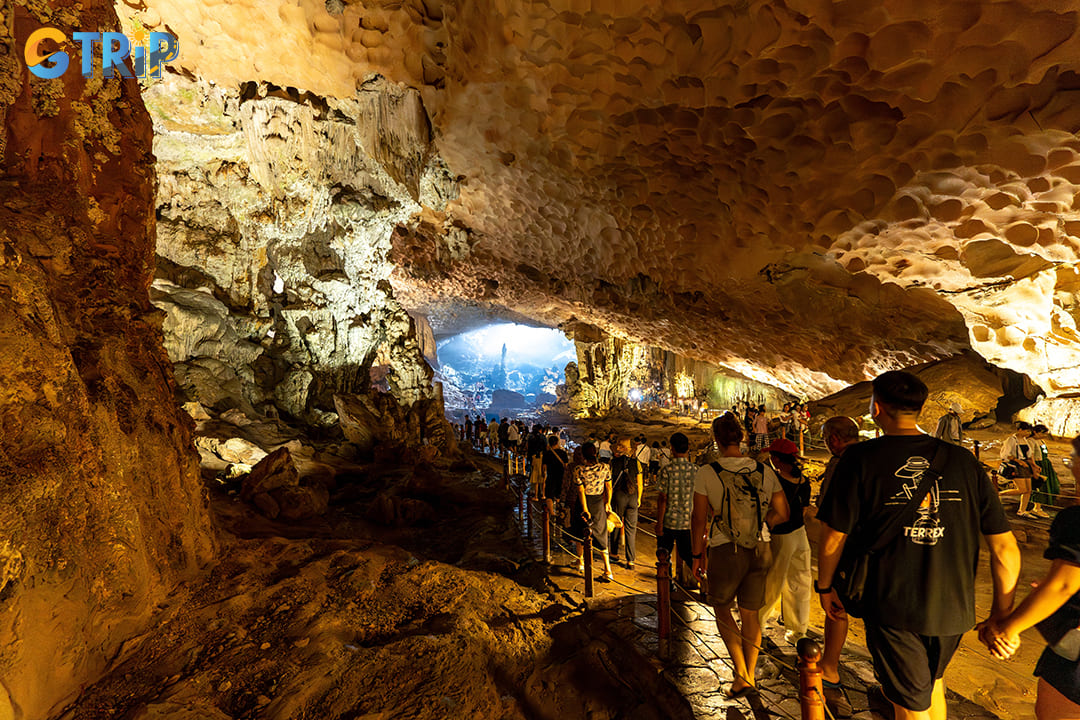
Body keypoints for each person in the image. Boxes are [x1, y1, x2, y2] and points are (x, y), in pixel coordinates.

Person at [817, 370, 1020, 720]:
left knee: (910, 708)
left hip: (894, 606)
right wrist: (1002, 614)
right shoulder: (964, 462)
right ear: (921, 407)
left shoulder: (860, 460)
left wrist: (825, 585)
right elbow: (1005, 549)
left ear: (876, 408)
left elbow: (835, 536)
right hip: (953, 609)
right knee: (932, 686)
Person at [981, 434, 1080, 720]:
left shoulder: (1075, 520)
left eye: (1074, 458)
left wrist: (1008, 628)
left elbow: (1063, 584)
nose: (1071, 463)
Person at [691, 413, 790, 698]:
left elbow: (698, 519)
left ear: (716, 439)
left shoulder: (708, 472)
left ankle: (742, 673)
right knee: (751, 615)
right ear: (742, 437)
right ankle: (749, 671)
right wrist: (762, 524)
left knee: (722, 608)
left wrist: (698, 555)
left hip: (726, 547)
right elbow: (783, 512)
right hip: (762, 547)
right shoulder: (764, 470)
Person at [816, 416, 862, 718]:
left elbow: (831, 516)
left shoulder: (841, 464)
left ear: (834, 439)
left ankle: (830, 667)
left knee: (836, 606)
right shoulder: (876, 455)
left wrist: (824, 581)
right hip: (882, 547)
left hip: (850, 547)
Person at [760, 438, 812, 646]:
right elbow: (805, 510)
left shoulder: (774, 480)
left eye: (773, 456)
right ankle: (798, 630)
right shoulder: (804, 481)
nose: (771, 459)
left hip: (781, 535)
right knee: (800, 582)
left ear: (778, 459)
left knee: (773, 582)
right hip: (800, 534)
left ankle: (758, 623)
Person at [656, 432, 696, 585]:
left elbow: (662, 498)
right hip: (688, 522)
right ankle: (701, 583)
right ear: (688, 448)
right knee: (689, 555)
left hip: (669, 522)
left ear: (672, 449)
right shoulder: (696, 470)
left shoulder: (666, 471)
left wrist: (659, 523)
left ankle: (667, 585)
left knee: (664, 556)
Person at [573, 442, 614, 582]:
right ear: (596, 453)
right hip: (598, 503)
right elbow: (609, 486)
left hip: (585, 503)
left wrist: (584, 509)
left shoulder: (579, 470)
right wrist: (608, 502)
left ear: (583, 455)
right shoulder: (605, 468)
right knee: (601, 536)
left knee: (580, 533)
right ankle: (608, 569)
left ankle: (581, 562)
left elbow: (580, 490)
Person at [1001, 421, 1046, 518]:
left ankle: (1022, 511)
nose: (1028, 433)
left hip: (1025, 466)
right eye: (1026, 431)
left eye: (1029, 431)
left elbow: (1029, 455)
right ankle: (998, 494)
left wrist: (1034, 465)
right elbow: (1006, 455)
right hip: (1016, 465)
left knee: (1028, 490)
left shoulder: (1025, 440)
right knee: (1022, 489)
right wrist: (1018, 461)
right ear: (1020, 430)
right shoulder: (1011, 440)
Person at [609, 437, 642, 570]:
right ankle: (630, 560)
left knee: (616, 524)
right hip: (632, 497)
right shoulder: (636, 463)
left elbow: (610, 484)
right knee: (631, 529)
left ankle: (614, 553)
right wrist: (639, 498)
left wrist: (608, 500)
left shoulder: (614, 462)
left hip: (618, 496)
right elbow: (639, 483)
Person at [541, 434, 569, 526]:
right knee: (559, 495)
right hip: (561, 476)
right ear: (557, 442)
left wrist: (543, 474)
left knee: (549, 495)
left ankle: (552, 514)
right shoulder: (563, 453)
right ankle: (558, 510)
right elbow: (566, 466)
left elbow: (544, 467)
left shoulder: (547, 453)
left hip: (551, 476)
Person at [1032, 424, 1061, 511]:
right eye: (1042, 433)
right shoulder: (1031, 441)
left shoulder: (1041, 441)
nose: (1044, 435)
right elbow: (1031, 455)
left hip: (1045, 464)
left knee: (1051, 484)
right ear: (1035, 432)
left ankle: (1045, 503)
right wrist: (1034, 466)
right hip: (1038, 464)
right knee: (1040, 486)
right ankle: (1037, 507)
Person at [528, 425, 547, 499]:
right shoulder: (543, 437)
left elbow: (529, 448)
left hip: (534, 458)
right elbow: (545, 447)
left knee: (534, 475)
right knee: (543, 475)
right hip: (542, 457)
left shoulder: (530, 437)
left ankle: (534, 493)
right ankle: (543, 494)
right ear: (540, 430)